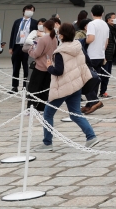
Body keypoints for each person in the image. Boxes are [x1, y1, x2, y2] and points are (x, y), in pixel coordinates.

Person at [42, 21, 99, 151]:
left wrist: (49, 66)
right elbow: (88, 62)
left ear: (61, 36)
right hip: (76, 84)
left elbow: (59, 71)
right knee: (75, 113)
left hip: (63, 87)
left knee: (48, 114)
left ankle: (47, 143)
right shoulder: (78, 46)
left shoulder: (60, 51)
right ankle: (91, 137)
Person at [82, 5, 109, 114]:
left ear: (92, 13)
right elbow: (106, 42)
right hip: (100, 54)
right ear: (102, 13)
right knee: (96, 79)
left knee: (87, 80)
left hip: (91, 55)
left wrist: (84, 41)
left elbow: (90, 39)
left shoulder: (92, 24)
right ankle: (90, 104)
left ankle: (94, 101)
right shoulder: (105, 24)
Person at [9, 4, 36, 93]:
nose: (30, 11)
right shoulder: (17, 22)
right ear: (24, 11)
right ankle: (14, 86)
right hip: (17, 46)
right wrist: (11, 46)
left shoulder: (34, 22)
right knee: (16, 67)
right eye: (28, 9)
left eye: (32, 10)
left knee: (26, 68)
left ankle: (25, 87)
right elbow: (13, 34)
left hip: (27, 47)